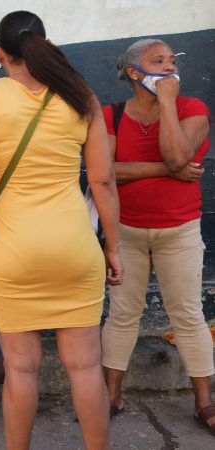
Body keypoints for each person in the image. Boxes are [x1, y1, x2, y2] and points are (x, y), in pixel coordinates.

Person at [0, 11, 123, 450]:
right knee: (85, 367)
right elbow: (103, 181)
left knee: (21, 369)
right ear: (44, 43)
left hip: (13, 251)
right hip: (75, 248)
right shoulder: (82, 96)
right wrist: (114, 248)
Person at [99, 38, 213, 434]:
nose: (169, 67)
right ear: (134, 72)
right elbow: (106, 172)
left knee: (188, 316)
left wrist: (167, 102)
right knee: (122, 315)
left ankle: (204, 402)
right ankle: (112, 395)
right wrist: (164, 170)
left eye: (171, 61)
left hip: (178, 230)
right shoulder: (110, 115)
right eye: (157, 61)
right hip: (125, 231)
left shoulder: (192, 109)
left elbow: (179, 156)